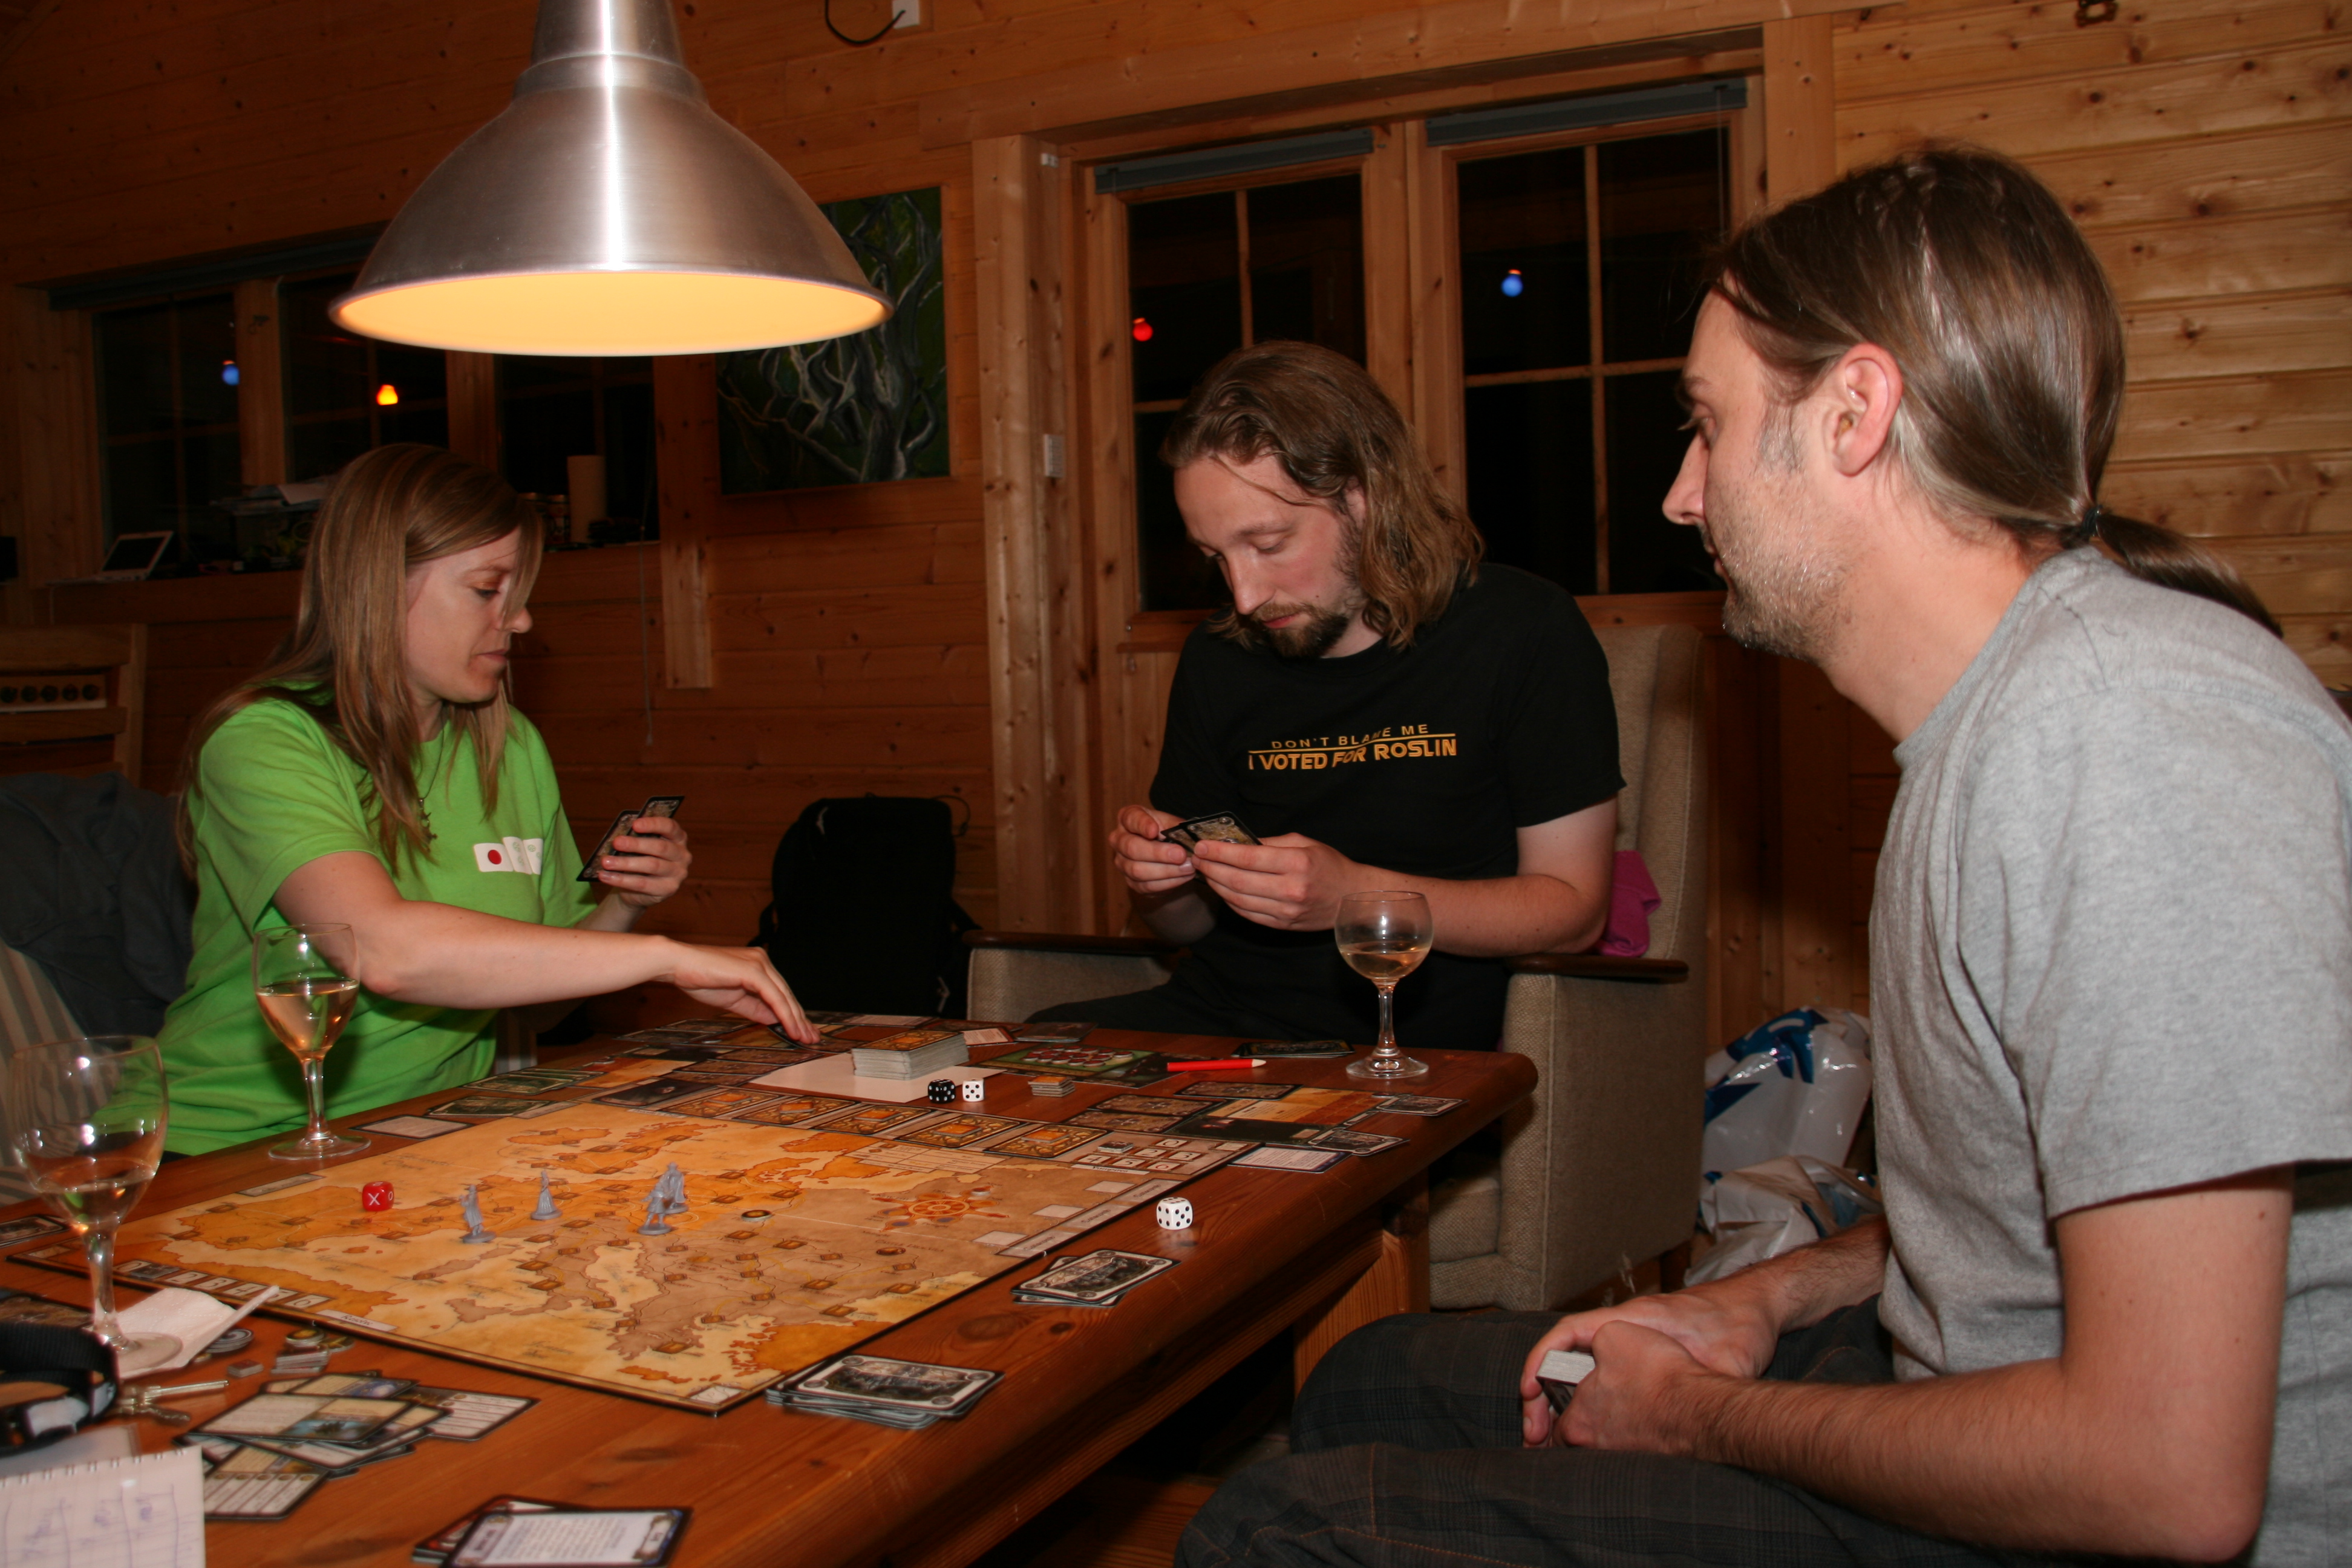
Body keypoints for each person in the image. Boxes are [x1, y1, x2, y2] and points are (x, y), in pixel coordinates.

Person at [1180, 148, 2352, 1566]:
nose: (1684, 495)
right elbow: (2001, 1220)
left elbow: (2166, 1481)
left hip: (2087, 1515)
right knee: (1369, 1378)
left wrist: (1697, 1415)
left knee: (1278, 1531)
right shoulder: (1992, 730)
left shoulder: (2120, 745)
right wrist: (1752, 1301)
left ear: (1855, 413)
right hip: (1960, 1373)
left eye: (1710, 425)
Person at [160, 445, 815, 1154]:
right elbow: (383, 952)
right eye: (486, 590)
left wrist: (625, 903)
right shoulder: (261, 739)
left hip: (424, 1134)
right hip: (229, 1145)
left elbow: (539, 1007)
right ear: (377, 586)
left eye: (520, 592)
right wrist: (666, 958)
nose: (522, 619)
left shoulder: (511, 745)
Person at [1042, 342, 1622, 1050]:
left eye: (1268, 544)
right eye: (1215, 557)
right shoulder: (1218, 659)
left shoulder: (1521, 630)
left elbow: (1574, 912)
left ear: (1364, 498)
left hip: (1415, 1042)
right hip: (1228, 1025)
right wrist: (1160, 882)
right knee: (1018, 1068)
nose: (1244, 596)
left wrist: (1352, 896)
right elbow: (1185, 927)